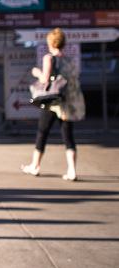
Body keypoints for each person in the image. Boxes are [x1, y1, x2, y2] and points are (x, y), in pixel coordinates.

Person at [22, 27, 84, 181]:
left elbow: (45, 79)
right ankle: (72, 170)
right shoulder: (69, 60)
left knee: (42, 131)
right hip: (67, 101)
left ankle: (35, 165)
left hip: (53, 101)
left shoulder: (49, 58)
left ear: (50, 42)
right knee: (68, 135)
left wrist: (36, 72)